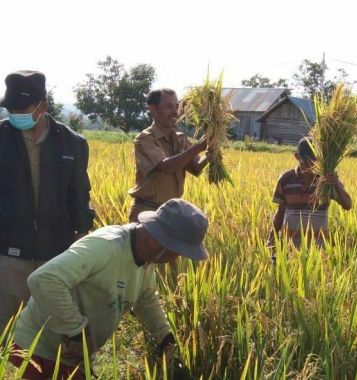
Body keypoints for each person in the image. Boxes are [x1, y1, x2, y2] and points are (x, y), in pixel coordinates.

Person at [11, 199, 207, 379]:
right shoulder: (106, 247)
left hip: (73, 357)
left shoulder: (146, 260)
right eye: (179, 251)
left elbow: (147, 301)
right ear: (162, 241)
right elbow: (44, 279)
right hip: (36, 351)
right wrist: (76, 332)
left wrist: (166, 340)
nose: (176, 259)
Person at [0, 70, 94, 332]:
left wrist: (82, 233)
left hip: (56, 252)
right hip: (9, 254)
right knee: (8, 329)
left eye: (22, 108)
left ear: (43, 106)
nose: (15, 114)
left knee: (52, 328)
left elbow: (79, 193)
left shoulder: (72, 144)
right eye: (10, 108)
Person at [128, 88, 209, 222]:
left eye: (176, 107)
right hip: (147, 212)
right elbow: (166, 166)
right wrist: (198, 147)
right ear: (153, 109)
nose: (175, 112)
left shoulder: (180, 139)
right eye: (169, 107)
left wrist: (211, 152)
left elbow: (196, 168)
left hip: (171, 213)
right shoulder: (144, 139)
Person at [267, 137, 352, 255]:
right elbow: (280, 212)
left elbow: (348, 205)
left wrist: (336, 183)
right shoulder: (286, 179)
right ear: (297, 156)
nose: (311, 168)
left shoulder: (325, 181)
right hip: (289, 248)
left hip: (318, 251)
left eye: (315, 163)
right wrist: (271, 238)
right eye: (306, 163)